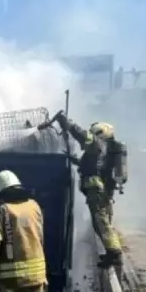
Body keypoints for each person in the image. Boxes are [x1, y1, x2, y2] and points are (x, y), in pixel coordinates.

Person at [38, 111, 126, 268]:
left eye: (94, 132)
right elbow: (92, 166)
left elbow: (81, 135)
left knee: (101, 222)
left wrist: (66, 122)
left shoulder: (97, 143)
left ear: (100, 133)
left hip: (95, 191)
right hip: (99, 191)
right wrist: (74, 160)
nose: (91, 135)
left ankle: (115, 254)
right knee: (100, 223)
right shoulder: (103, 149)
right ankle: (112, 252)